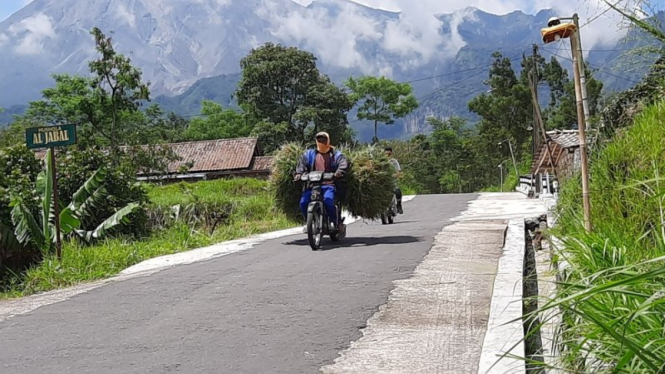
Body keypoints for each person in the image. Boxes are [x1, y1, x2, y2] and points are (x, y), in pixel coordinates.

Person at [294, 132, 349, 232]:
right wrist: (299, 174)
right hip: (312, 186)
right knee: (303, 202)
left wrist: (339, 172)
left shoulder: (336, 155)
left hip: (329, 185)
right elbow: (301, 164)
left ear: (328, 141)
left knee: (328, 201)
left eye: (323, 140)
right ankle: (309, 222)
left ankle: (334, 222)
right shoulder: (309, 154)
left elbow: (342, 163)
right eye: (319, 140)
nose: (321, 142)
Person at [384, 147, 403, 214]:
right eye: (386, 154)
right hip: (383, 182)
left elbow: (399, 171)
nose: (387, 155)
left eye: (389, 154)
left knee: (397, 191)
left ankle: (399, 204)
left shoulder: (394, 161)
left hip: (392, 181)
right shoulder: (381, 162)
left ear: (391, 153)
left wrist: (396, 175)